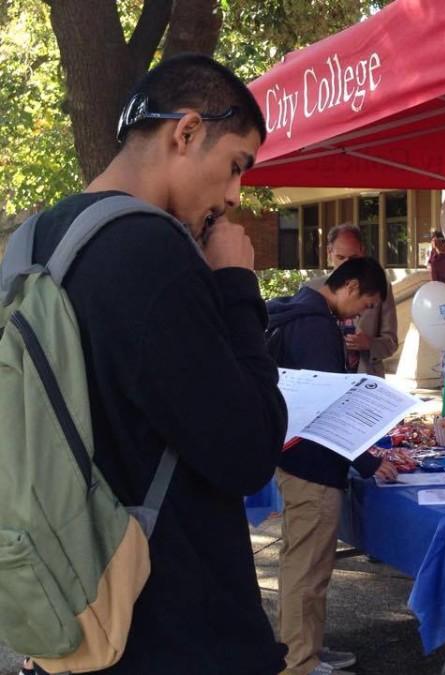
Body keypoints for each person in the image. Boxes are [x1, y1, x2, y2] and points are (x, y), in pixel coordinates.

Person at [24, 55, 288, 673]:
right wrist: (235, 285)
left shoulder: (35, 243)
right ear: (186, 132)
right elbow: (248, 449)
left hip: (71, 603)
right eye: (234, 167)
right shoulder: (153, 255)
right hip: (175, 625)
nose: (232, 195)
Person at [267, 256, 399, 675]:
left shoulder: (297, 312)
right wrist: (367, 459)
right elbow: (330, 409)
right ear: (351, 286)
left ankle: (307, 649)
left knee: (304, 567)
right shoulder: (315, 327)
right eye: (365, 303)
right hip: (312, 466)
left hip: (294, 458)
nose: (363, 313)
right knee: (306, 572)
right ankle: (299, 662)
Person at [305, 224, 398, 377]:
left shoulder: (379, 289)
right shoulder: (311, 289)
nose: (348, 265)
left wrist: (370, 344)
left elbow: (391, 342)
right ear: (329, 253)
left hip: (366, 377)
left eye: (354, 258)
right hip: (324, 377)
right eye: (341, 258)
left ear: (362, 252)